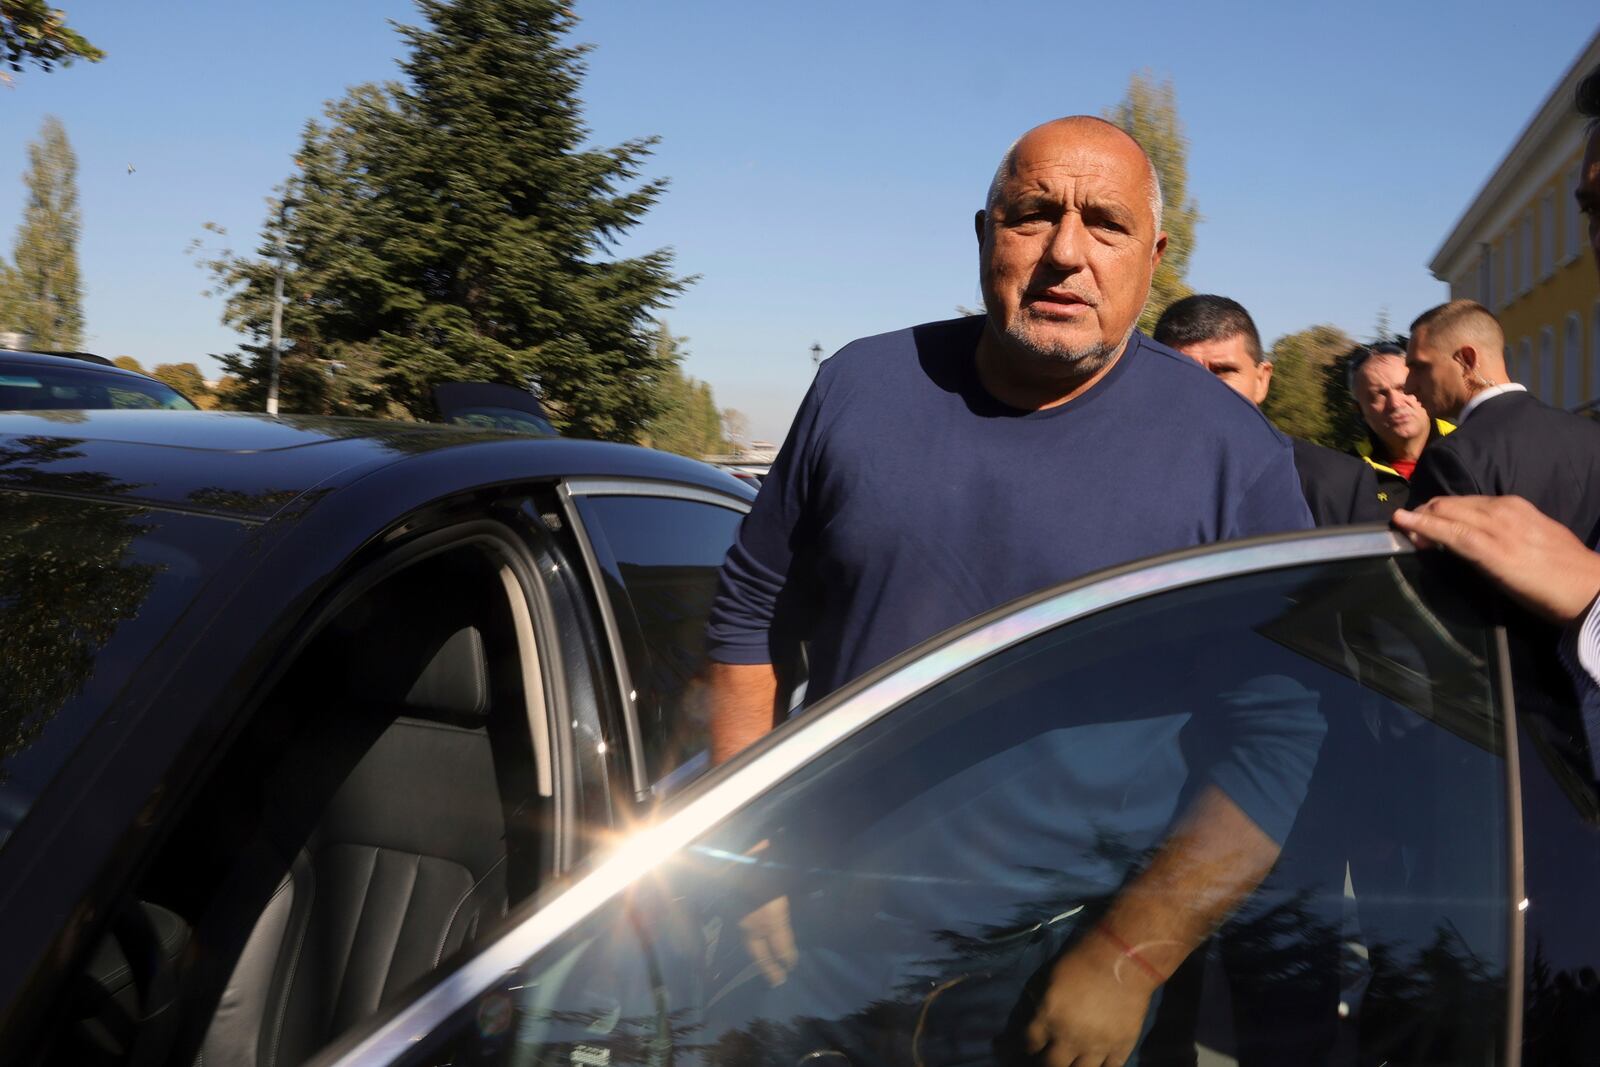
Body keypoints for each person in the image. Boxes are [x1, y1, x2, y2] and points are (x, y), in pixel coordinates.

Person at [704, 115, 1317, 1067]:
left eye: (1105, 225)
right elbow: (748, 622)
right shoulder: (859, 389)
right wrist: (747, 858)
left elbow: (1281, 736)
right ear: (986, 232)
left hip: (1064, 975)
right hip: (821, 941)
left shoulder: (1234, 458)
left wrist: (1127, 960)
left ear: (1154, 257)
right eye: (1034, 216)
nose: (1065, 254)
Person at [1154, 294, 1384, 524]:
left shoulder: (1339, 484)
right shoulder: (1128, 477)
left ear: (1262, 380)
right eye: (1185, 373)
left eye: (1223, 371)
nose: (1206, 390)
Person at [1403, 299, 1600, 543]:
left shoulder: (1451, 458)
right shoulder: (1591, 436)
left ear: (1466, 360)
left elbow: (1424, 574)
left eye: (1420, 367)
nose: (1409, 386)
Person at [1346, 342, 1446, 514]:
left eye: (1404, 388)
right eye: (1379, 395)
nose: (1395, 404)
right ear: (1359, 410)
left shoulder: (1472, 445)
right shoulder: (1349, 474)